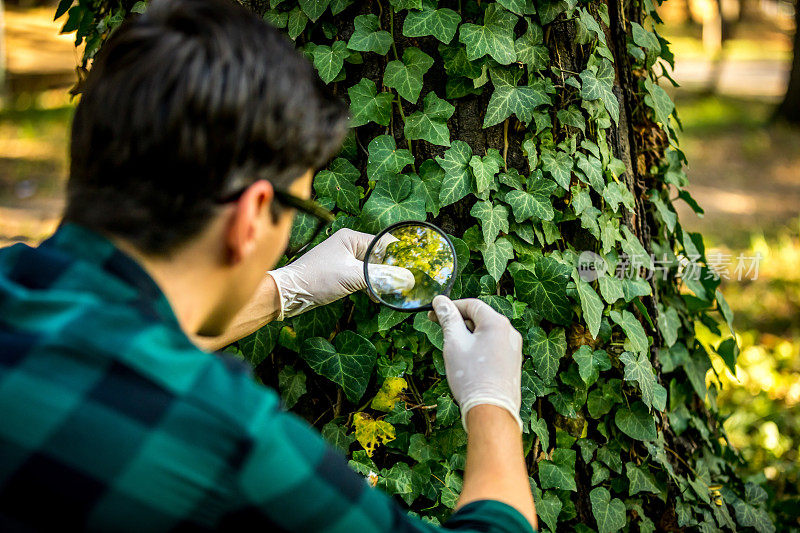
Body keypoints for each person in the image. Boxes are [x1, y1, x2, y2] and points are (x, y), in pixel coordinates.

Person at [0, 0, 538, 531]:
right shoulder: (224, 439)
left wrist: (287, 288)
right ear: (255, 213)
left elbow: (107, 342)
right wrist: (493, 405)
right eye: (299, 206)